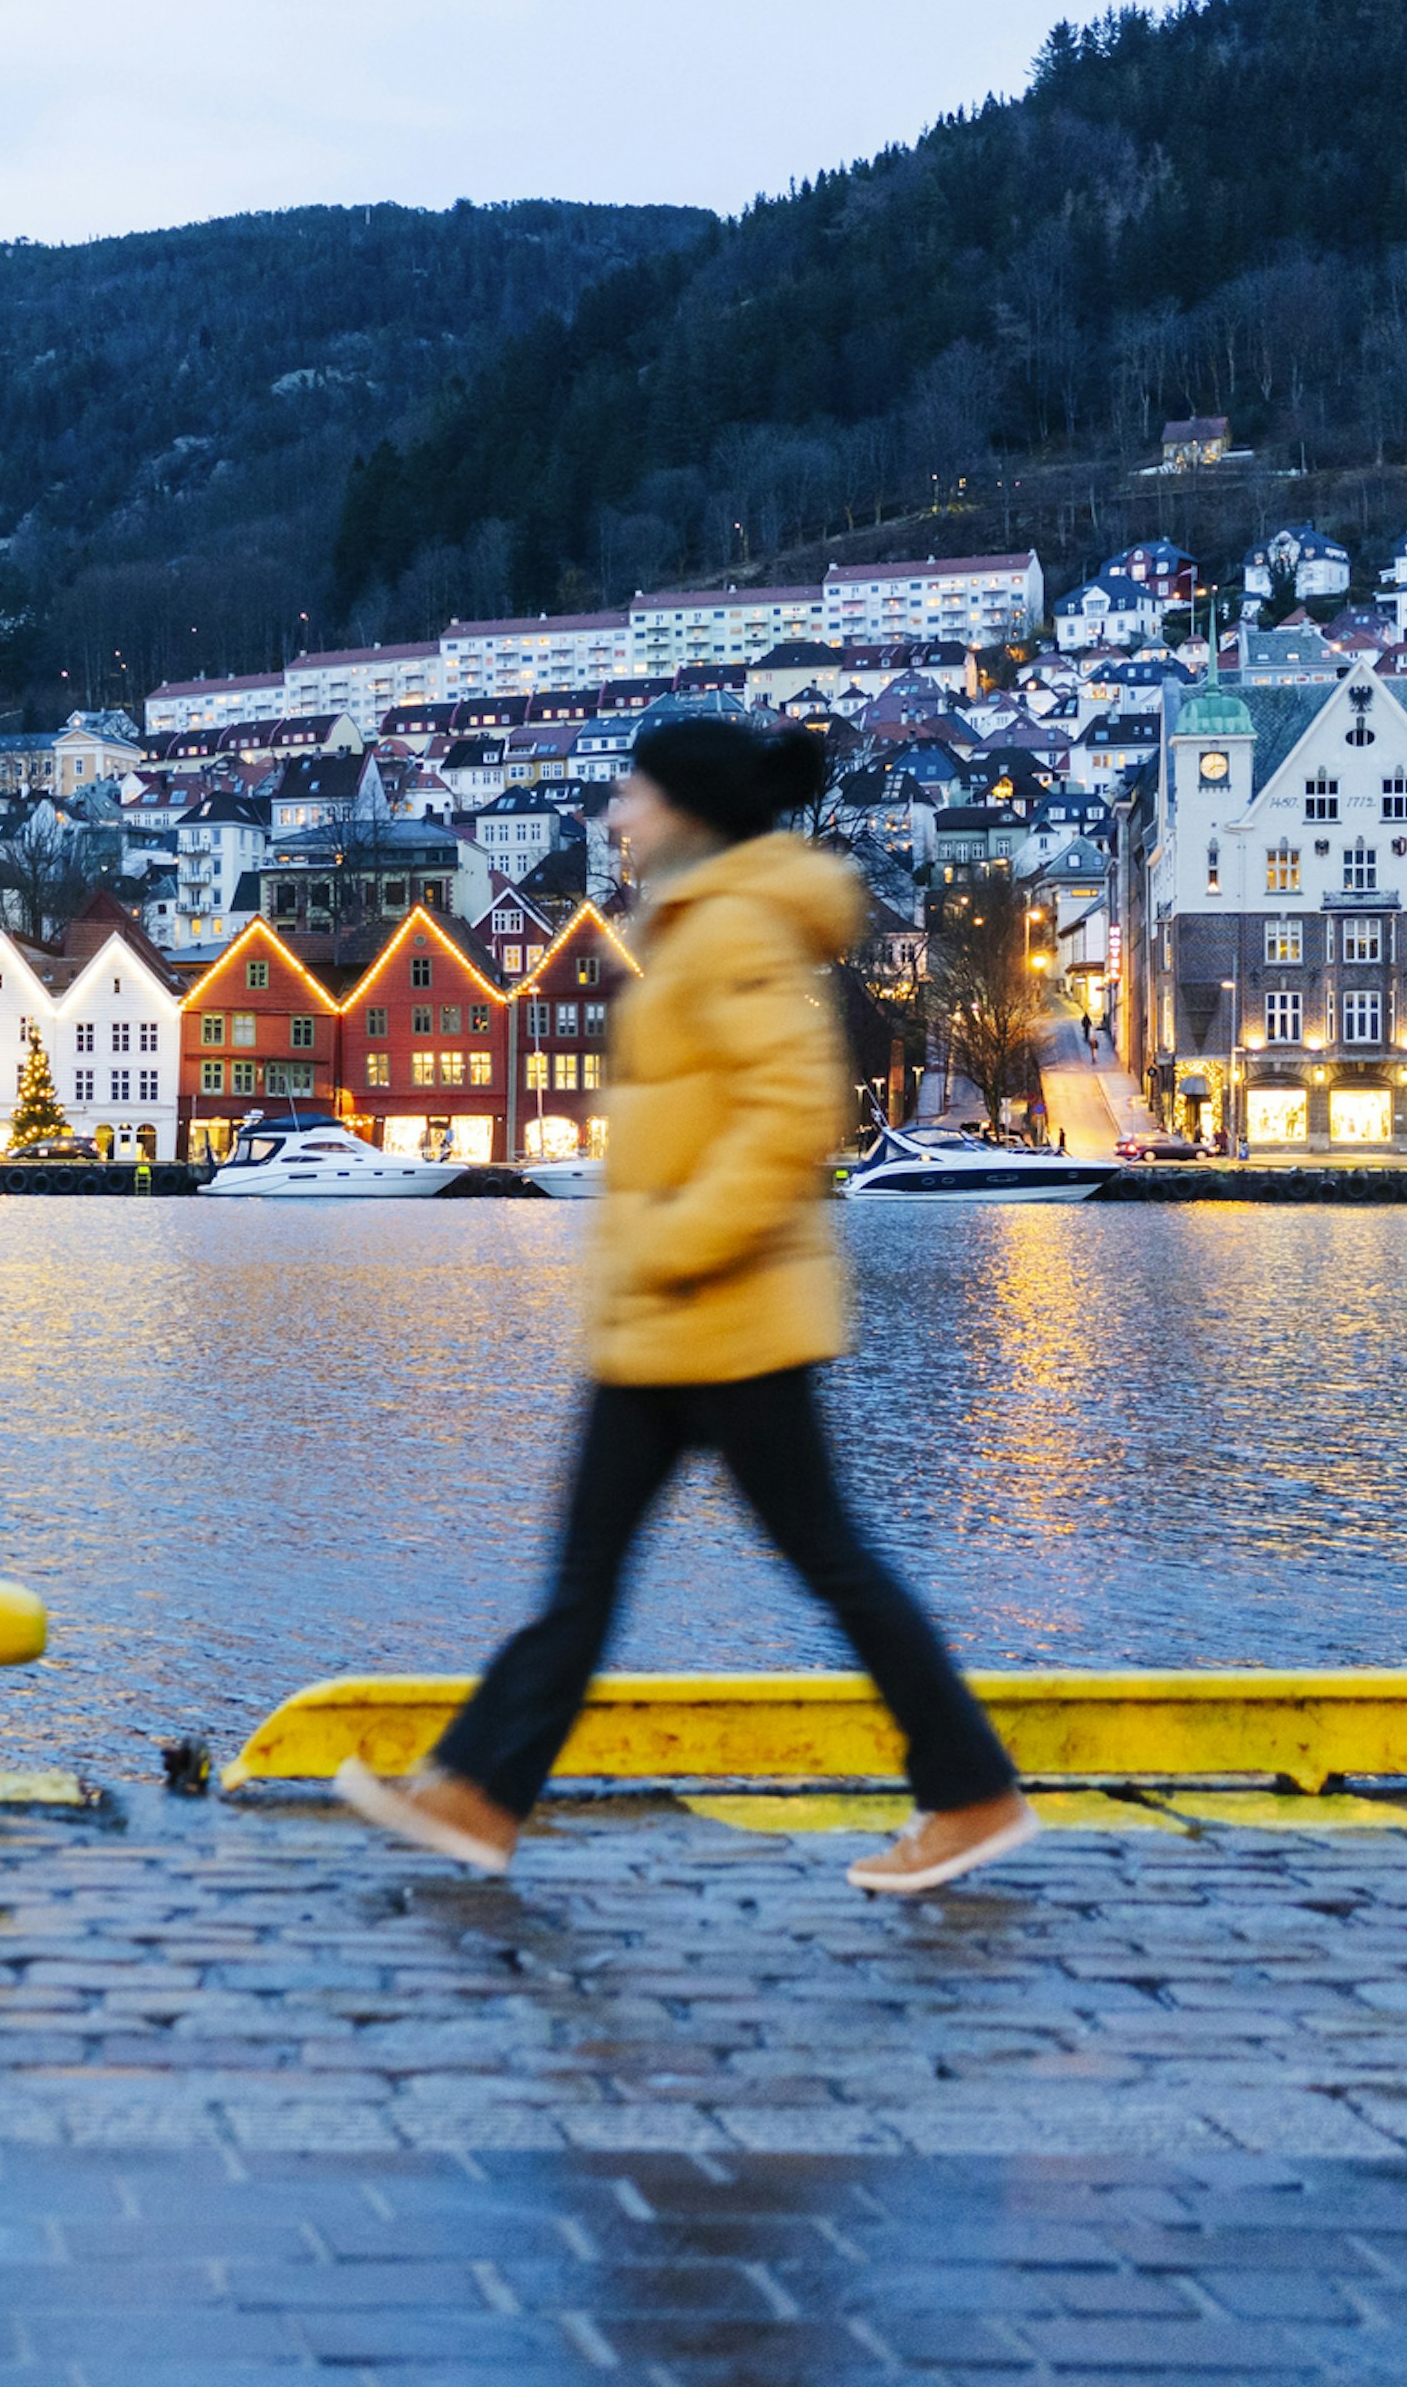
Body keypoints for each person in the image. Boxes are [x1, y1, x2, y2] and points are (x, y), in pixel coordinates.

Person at [336, 719, 1038, 1895]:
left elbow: (789, 1115)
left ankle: (971, 1792)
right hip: (666, 1319)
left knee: (828, 1566)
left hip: (727, 1316)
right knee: (593, 1580)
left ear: (691, 809)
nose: (617, 815)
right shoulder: (699, 922)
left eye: (635, 793)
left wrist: (671, 1239)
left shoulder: (736, 929)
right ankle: (477, 1794)